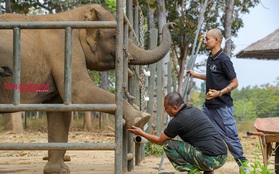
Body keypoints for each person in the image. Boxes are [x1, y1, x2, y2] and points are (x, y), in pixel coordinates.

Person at [187, 28, 249, 172]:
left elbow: (235, 83)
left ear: (217, 40)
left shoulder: (224, 60)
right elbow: (212, 76)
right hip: (208, 107)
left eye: (207, 39)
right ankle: (208, 166)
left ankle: (243, 165)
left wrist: (219, 93)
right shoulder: (210, 58)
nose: (205, 41)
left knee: (230, 137)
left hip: (222, 107)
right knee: (205, 134)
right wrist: (195, 75)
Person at [128, 92, 227, 174]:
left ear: (175, 108)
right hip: (222, 155)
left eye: (166, 108)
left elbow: (160, 141)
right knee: (203, 148)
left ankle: (193, 171)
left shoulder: (177, 121)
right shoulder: (194, 111)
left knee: (169, 144)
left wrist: (141, 133)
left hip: (210, 159)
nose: (165, 110)